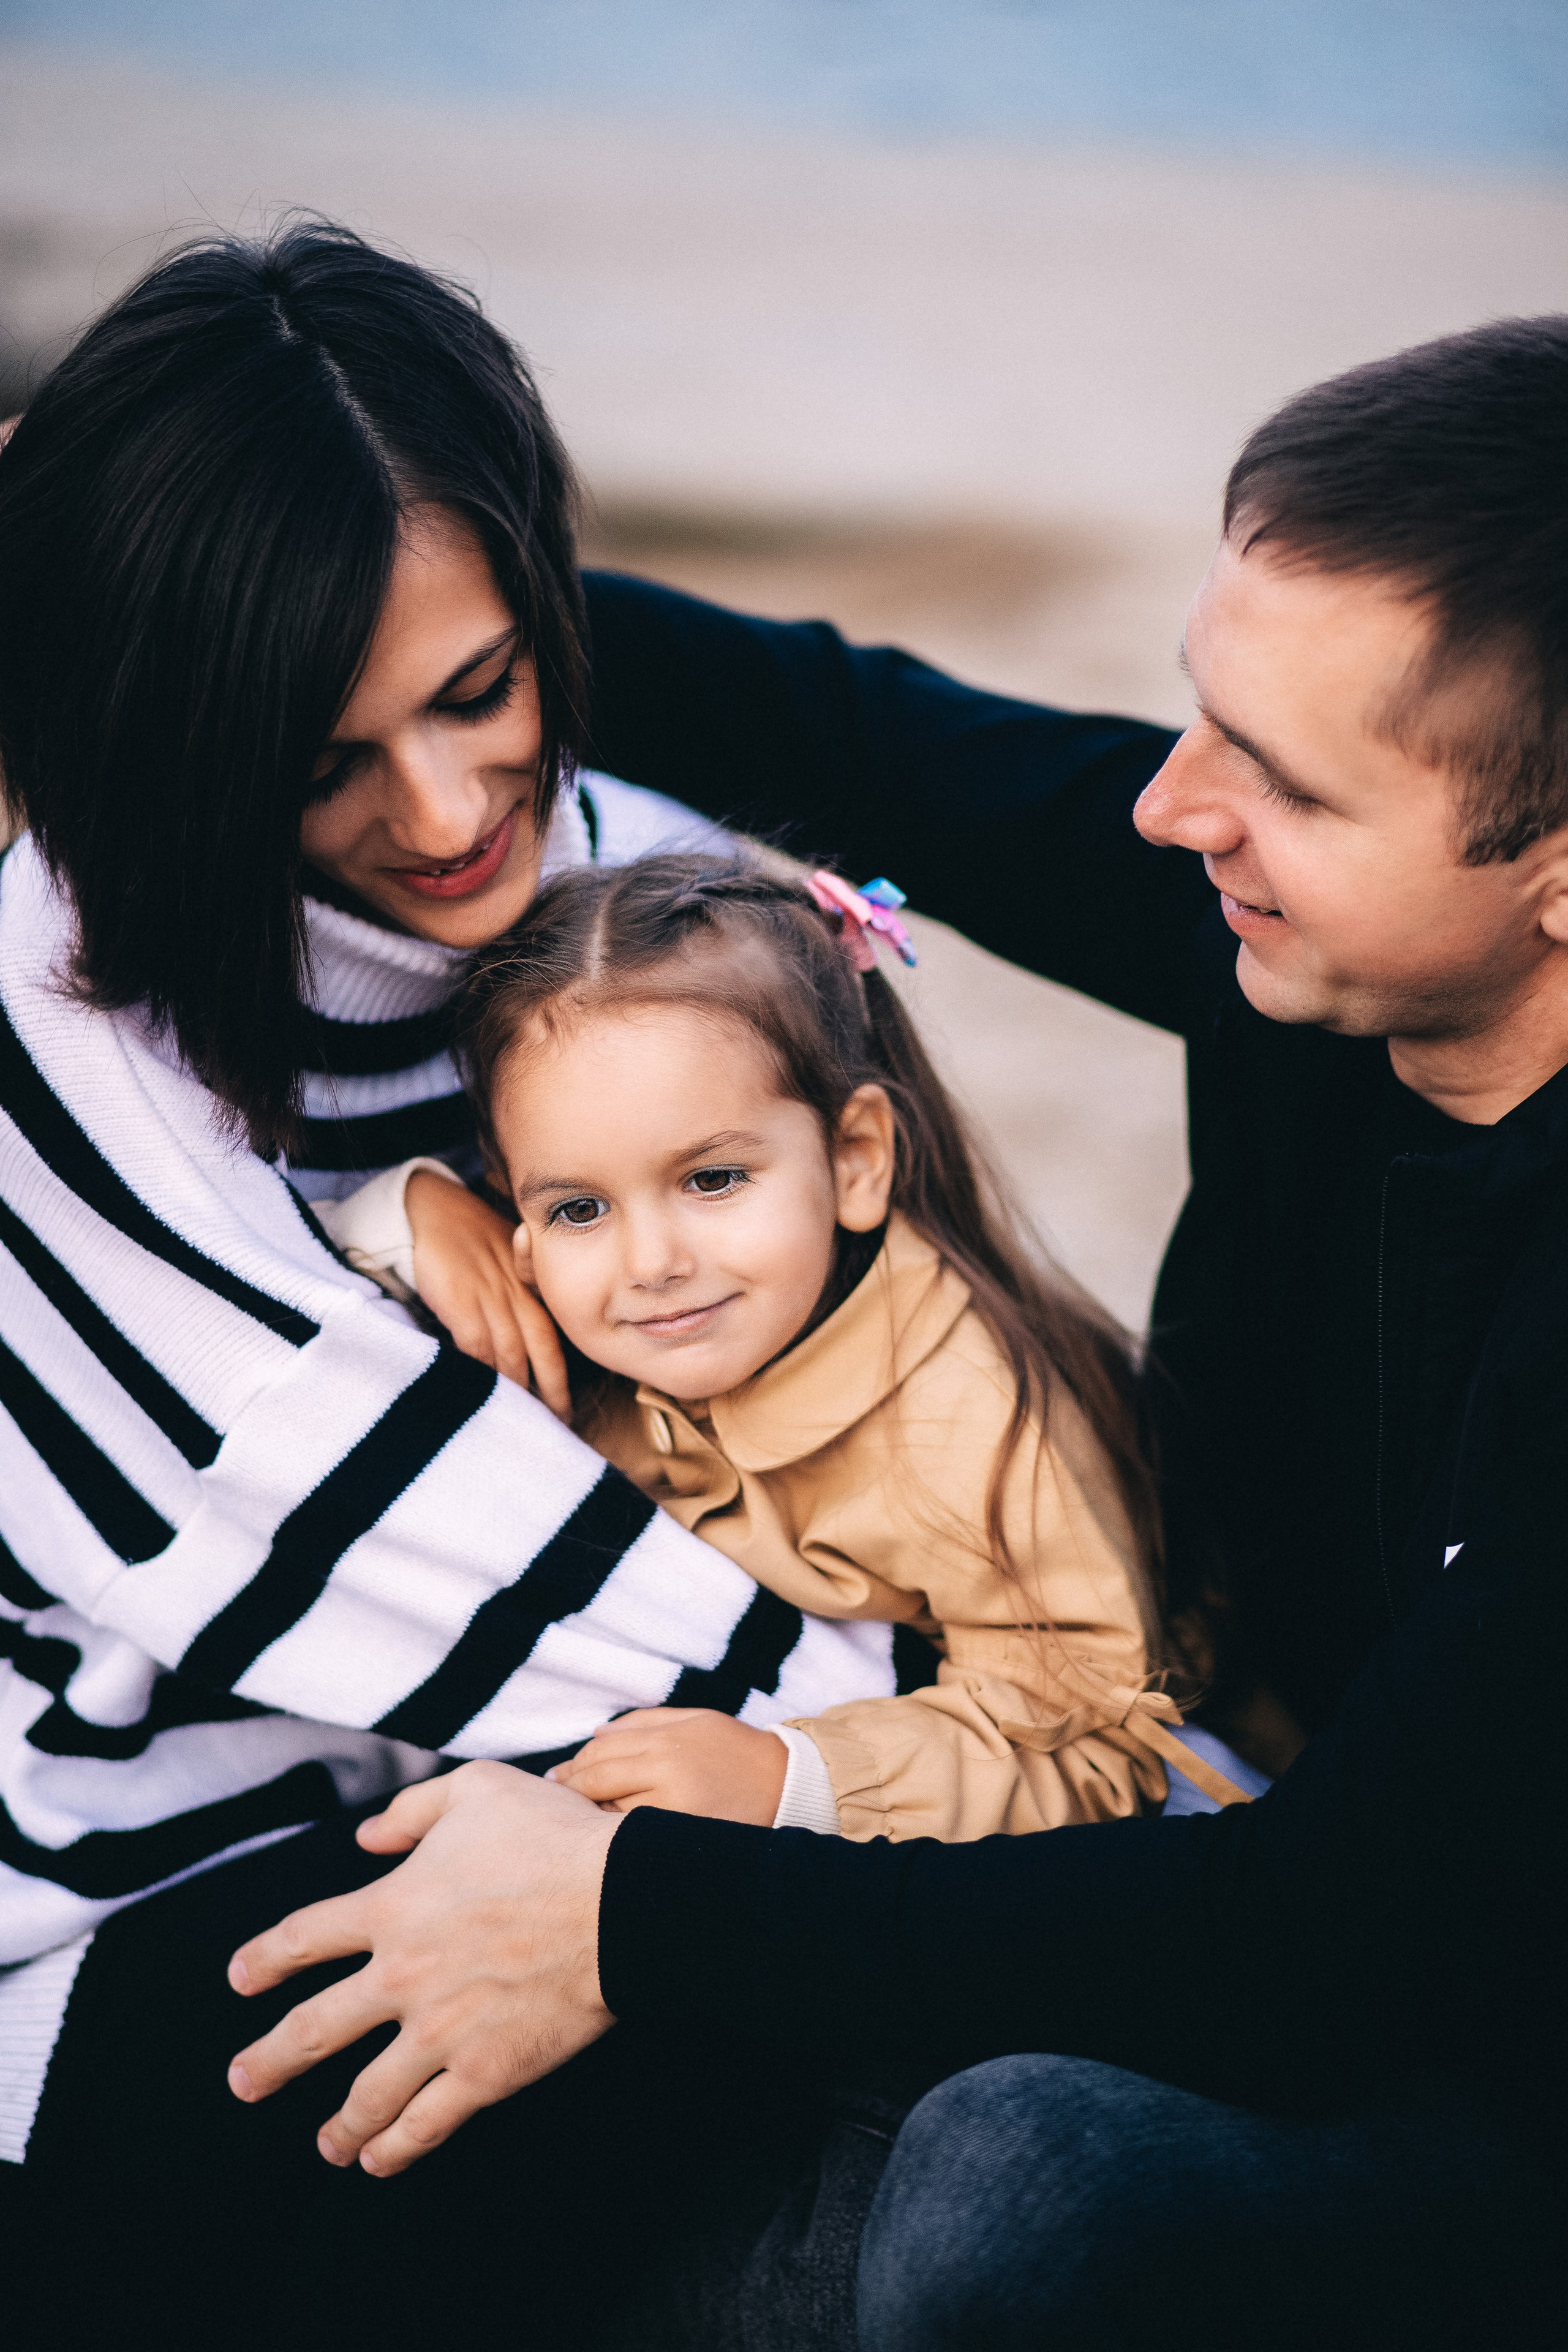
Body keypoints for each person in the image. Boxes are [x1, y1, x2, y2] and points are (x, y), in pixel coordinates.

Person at [226, 316, 1568, 2349]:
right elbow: (840, 731)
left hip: (1484, 2079)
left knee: (1019, 2181)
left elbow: (1330, 1944)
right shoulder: (1309, 942)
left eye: (1275, 780)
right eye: (1196, 717)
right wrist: (257, 560)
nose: (1166, 808)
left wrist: (630, 1918)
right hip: (1225, 1825)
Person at [0, 223, 918, 2344]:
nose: (443, 813)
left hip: (548, 1765)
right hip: (130, 1908)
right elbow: (409, 1544)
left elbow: (932, 1375)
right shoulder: (59, 1043)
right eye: (322, 755)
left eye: (482, 691)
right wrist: (1042, 1810)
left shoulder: (650, 891)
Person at [326, 850, 1235, 1839]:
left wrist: (797, 1777)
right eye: (579, 1205)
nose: (651, 1261)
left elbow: (1102, 1747)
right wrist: (413, 1211)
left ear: (855, 1160)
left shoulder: (972, 1425)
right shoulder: (545, 1297)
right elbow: (264, 1298)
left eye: (712, 1180)